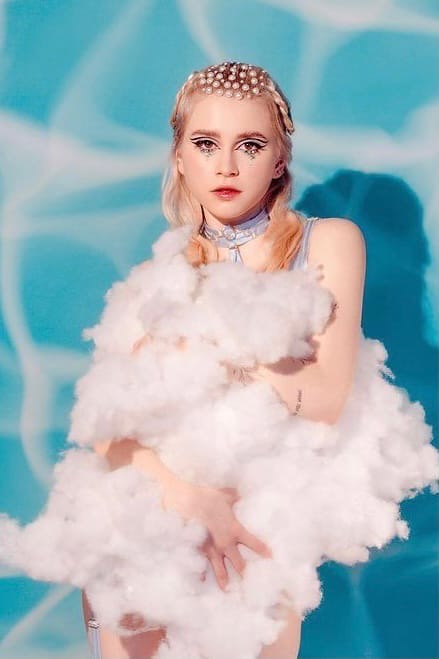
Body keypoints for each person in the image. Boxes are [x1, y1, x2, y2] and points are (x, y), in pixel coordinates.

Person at [1, 61, 438, 659]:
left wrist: (209, 337)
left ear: (279, 159)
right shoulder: (158, 275)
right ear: (180, 157)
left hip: (254, 541)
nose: (226, 165)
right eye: (206, 144)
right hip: (147, 529)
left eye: (249, 145)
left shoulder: (328, 242)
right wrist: (189, 499)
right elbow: (107, 436)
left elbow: (326, 400)